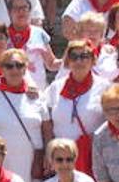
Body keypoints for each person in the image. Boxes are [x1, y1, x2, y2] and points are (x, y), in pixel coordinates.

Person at [0, 49, 52, 182]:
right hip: (1, 159)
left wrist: (48, 154)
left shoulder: (37, 96)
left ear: (25, 68)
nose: (14, 70)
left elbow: (47, 131)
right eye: (9, 66)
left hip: (31, 160)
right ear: (2, 68)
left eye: (19, 65)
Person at [44, 39, 106, 174]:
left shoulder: (104, 87)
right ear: (67, 61)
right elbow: (47, 122)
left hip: (93, 155)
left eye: (84, 56)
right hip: (62, 158)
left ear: (93, 60)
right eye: (74, 57)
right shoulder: (56, 87)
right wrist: (47, 152)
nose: (79, 61)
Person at [4, 0, 56, 90]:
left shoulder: (39, 33)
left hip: (37, 90)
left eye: (24, 8)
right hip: (9, 90)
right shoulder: (2, 35)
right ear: (9, 13)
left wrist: (67, 59)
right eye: (16, 8)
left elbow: (51, 64)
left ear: (30, 11)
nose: (21, 11)